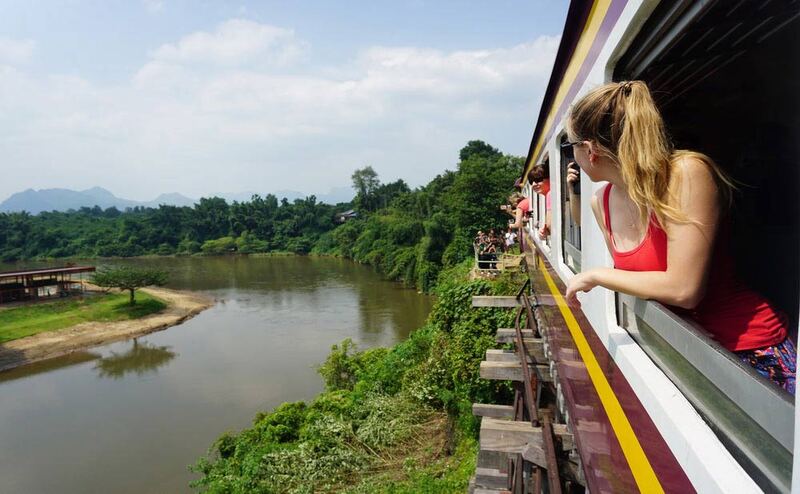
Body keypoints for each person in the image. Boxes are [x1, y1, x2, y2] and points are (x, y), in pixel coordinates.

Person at [563, 80, 795, 394]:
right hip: (684, 350)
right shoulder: (600, 202)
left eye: (571, 147)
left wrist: (597, 275)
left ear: (588, 150)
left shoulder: (685, 173)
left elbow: (685, 289)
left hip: (750, 353)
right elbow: (639, 284)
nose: (572, 156)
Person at [529, 165, 552, 238]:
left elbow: (551, 226)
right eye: (531, 182)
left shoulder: (550, 194)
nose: (533, 184)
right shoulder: (549, 195)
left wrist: (547, 230)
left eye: (538, 180)